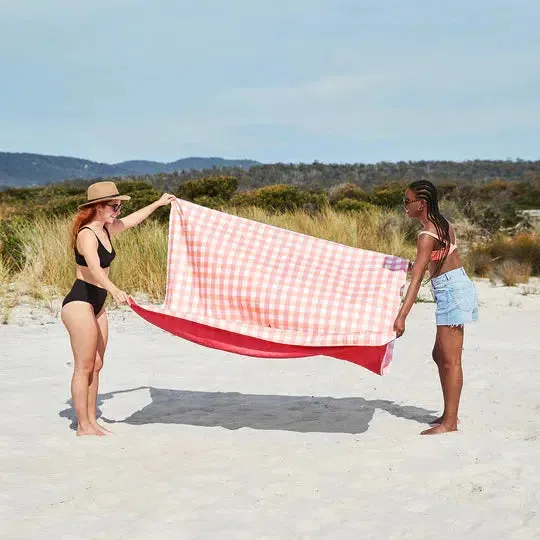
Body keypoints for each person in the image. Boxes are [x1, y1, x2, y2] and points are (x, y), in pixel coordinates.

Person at [61, 181, 175, 436]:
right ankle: (83, 426)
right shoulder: (86, 233)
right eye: (114, 206)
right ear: (98, 207)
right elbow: (93, 267)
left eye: (120, 206)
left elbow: (134, 220)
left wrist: (158, 203)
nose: (118, 210)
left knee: (97, 364)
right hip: (80, 301)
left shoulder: (107, 229)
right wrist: (114, 290)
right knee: (85, 366)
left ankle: (91, 421)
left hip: (97, 302)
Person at [393, 180, 478, 435]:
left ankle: (450, 423)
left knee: (451, 361)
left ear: (422, 203)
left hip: (452, 292)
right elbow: (437, 261)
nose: (404, 206)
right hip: (453, 288)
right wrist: (412, 266)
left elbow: (417, 280)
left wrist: (401, 316)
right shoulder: (443, 224)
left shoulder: (427, 234)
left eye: (407, 201)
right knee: (440, 356)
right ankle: (448, 414)